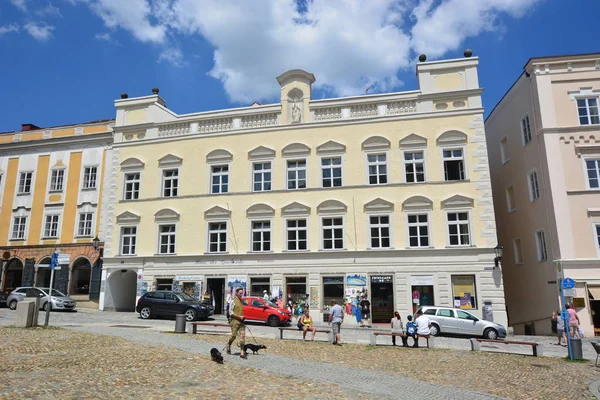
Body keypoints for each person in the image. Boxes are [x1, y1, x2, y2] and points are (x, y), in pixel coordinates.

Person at [227, 287, 247, 359]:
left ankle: (242, 352)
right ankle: (229, 344)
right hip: (234, 321)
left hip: (241, 322)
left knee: (242, 336)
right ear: (236, 293)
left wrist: (243, 317)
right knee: (233, 336)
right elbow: (230, 313)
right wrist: (239, 317)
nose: (241, 294)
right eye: (240, 293)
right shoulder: (233, 301)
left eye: (242, 293)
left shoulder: (241, 301)